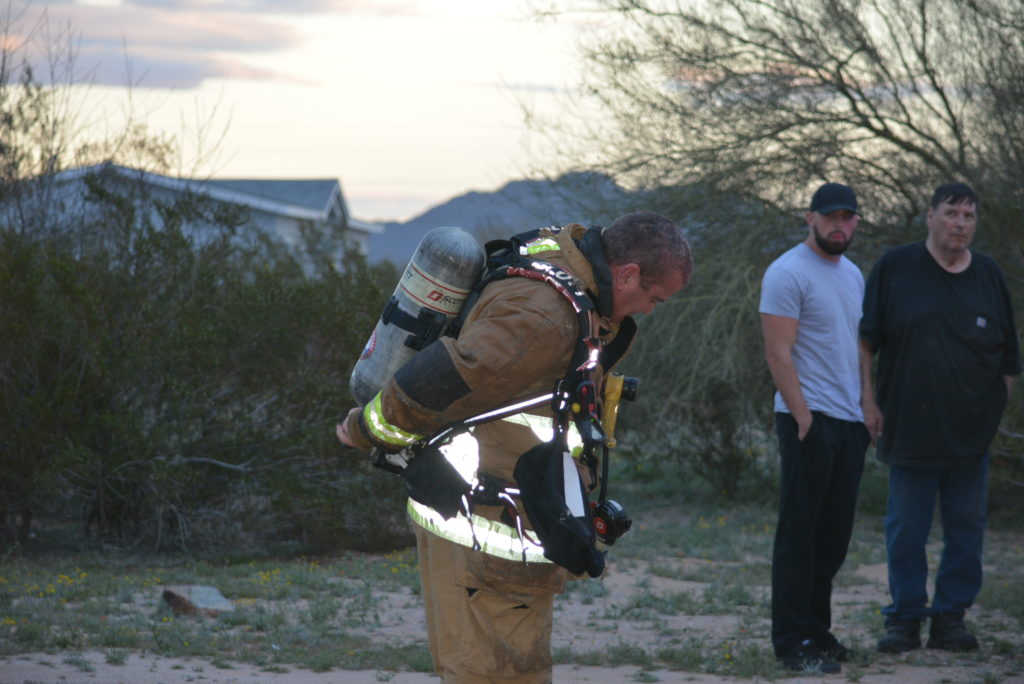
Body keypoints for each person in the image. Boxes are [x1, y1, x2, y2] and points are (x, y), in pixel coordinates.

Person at [337, 212, 693, 684]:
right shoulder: (544, 316)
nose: (648, 310)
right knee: (494, 673)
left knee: (495, 667)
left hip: (499, 516)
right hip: (487, 529)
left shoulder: (567, 265)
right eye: (654, 298)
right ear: (627, 273)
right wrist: (365, 429)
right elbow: (450, 377)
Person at [860, 182, 1020, 653]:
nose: (959, 223)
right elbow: (866, 341)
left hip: (970, 436)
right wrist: (868, 401)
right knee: (906, 531)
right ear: (930, 216)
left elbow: (1009, 361)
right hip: (908, 426)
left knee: (966, 532)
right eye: (951, 213)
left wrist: (991, 411)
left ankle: (950, 619)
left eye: (968, 216)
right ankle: (904, 620)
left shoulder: (988, 274)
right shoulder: (896, 266)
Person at [759, 182, 870, 674]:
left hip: (849, 421)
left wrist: (867, 406)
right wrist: (803, 415)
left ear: (856, 222)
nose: (838, 225)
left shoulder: (853, 274)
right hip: (807, 419)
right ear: (810, 218)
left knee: (832, 539)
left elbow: (858, 347)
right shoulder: (787, 272)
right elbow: (777, 351)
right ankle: (791, 642)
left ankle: (818, 632)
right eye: (830, 217)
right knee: (799, 537)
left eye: (847, 217)